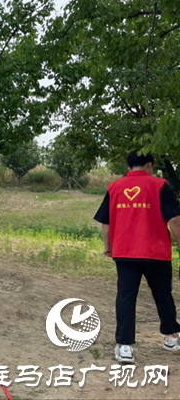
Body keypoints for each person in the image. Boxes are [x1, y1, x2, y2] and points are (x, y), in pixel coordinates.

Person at [94, 150, 180, 363]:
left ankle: (124, 347)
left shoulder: (114, 187)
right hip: (156, 252)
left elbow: (106, 221)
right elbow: (175, 220)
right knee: (162, 294)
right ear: (150, 164)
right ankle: (171, 337)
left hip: (124, 252)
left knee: (126, 297)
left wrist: (108, 246)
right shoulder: (160, 185)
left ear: (129, 166)